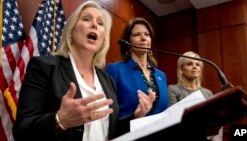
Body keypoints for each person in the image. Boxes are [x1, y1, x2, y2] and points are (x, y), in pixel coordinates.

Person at [12, 1, 134, 141]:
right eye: (86, 19)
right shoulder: (44, 67)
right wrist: (60, 120)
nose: (94, 24)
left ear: (103, 39)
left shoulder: (108, 81)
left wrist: (135, 117)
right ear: (71, 31)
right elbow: (22, 130)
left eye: (100, 23)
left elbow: (109, 129)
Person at [105, 17, 169, 133]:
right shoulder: (115, 70)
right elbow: (109, 116)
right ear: (127, 42)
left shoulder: (161, 76)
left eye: (147, 34)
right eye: (137, 35)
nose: (144, 38)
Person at [167, 51, 222, 141]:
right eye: (189, 64)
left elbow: (217, 122)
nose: (195, 67)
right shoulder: (172, 90)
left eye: (197, 64)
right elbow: (173, 121)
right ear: (181, 69)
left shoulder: (208, 93)